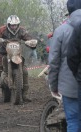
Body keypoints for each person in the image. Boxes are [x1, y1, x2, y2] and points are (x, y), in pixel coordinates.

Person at [0, 15, 37, 103]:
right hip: (3, 53)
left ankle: (25, 94)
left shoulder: (22, 30)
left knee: (24, 70)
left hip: (16, 53)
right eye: (12, 25)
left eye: (16, 25)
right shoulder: (2, 29)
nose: (14, 27)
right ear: (8, 25)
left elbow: (29, 38)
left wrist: (31, 42)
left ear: (18, 24)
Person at [48, 0, 80, 131]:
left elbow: (54, 61)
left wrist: (53, 85)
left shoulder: (61, 31)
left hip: (69, 86)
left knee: (72, 120)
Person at [66, 0, 81, 131]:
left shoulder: (78, 27)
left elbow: (72, 57)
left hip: (76, 80)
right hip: (5, 52)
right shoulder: (2, 30)